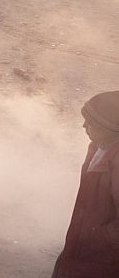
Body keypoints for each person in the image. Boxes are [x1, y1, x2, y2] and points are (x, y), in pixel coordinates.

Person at [52, 91, 119, 278]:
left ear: (109, 128)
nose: (84, 126)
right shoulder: (98, 147)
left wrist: (97, 240)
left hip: (102, 260)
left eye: (91, 123)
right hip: (83, 247)